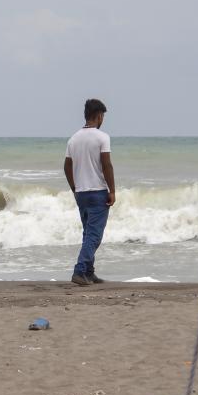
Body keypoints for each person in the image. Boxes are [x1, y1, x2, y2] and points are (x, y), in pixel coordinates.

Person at [63, 98, 115, 286]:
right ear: (99, 115)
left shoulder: (74, 138)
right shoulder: (102, 137)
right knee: (94, 235)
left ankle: (89, 272)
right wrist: (112, 191)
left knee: (88, 233)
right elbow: (107, 165)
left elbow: (67, 166)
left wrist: (74, 188)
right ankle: (79, 271)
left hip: (82, 193)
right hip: (98, 191)